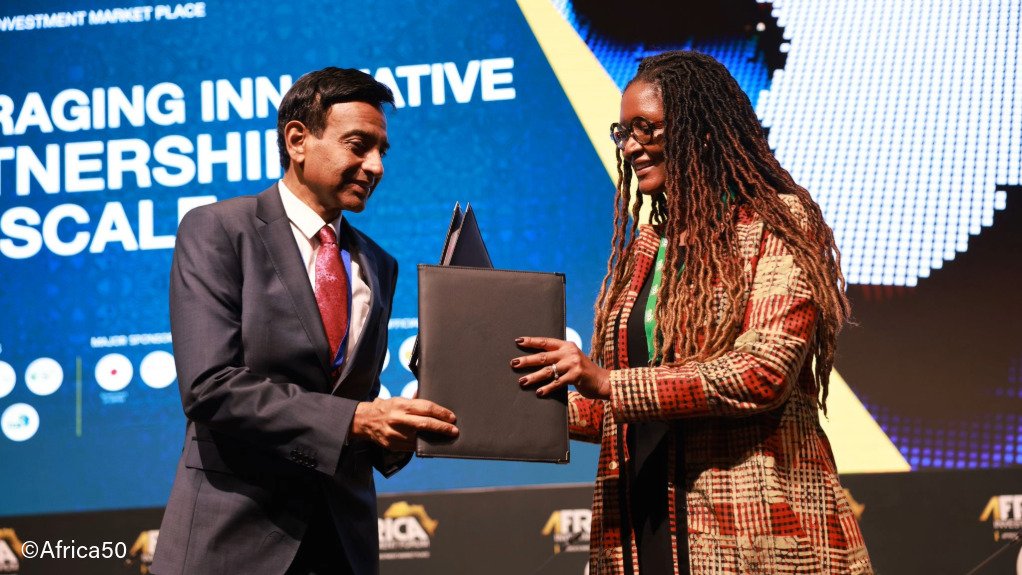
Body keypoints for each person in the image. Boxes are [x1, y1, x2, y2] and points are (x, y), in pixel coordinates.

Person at [513, 51, 873, 574]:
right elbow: (612, 406)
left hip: (755, 535)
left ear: (701, 131)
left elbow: (763, 372)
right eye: (624, 132)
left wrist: (610, 381)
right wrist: (488, 406)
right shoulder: (646, 248)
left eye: (648, 129)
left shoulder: (773, 225)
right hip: (642, 528)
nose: (632, 146)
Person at [151, 67, 459, 575]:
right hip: (232, 542)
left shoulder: (380, 264)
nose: (376, 166)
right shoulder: (218, 230)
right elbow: (210, 387)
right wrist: (360, 421)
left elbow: (354, 401)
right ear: (297, 140)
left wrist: (409, 425)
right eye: (359, 145)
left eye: (383, 151)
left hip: (343, 544)